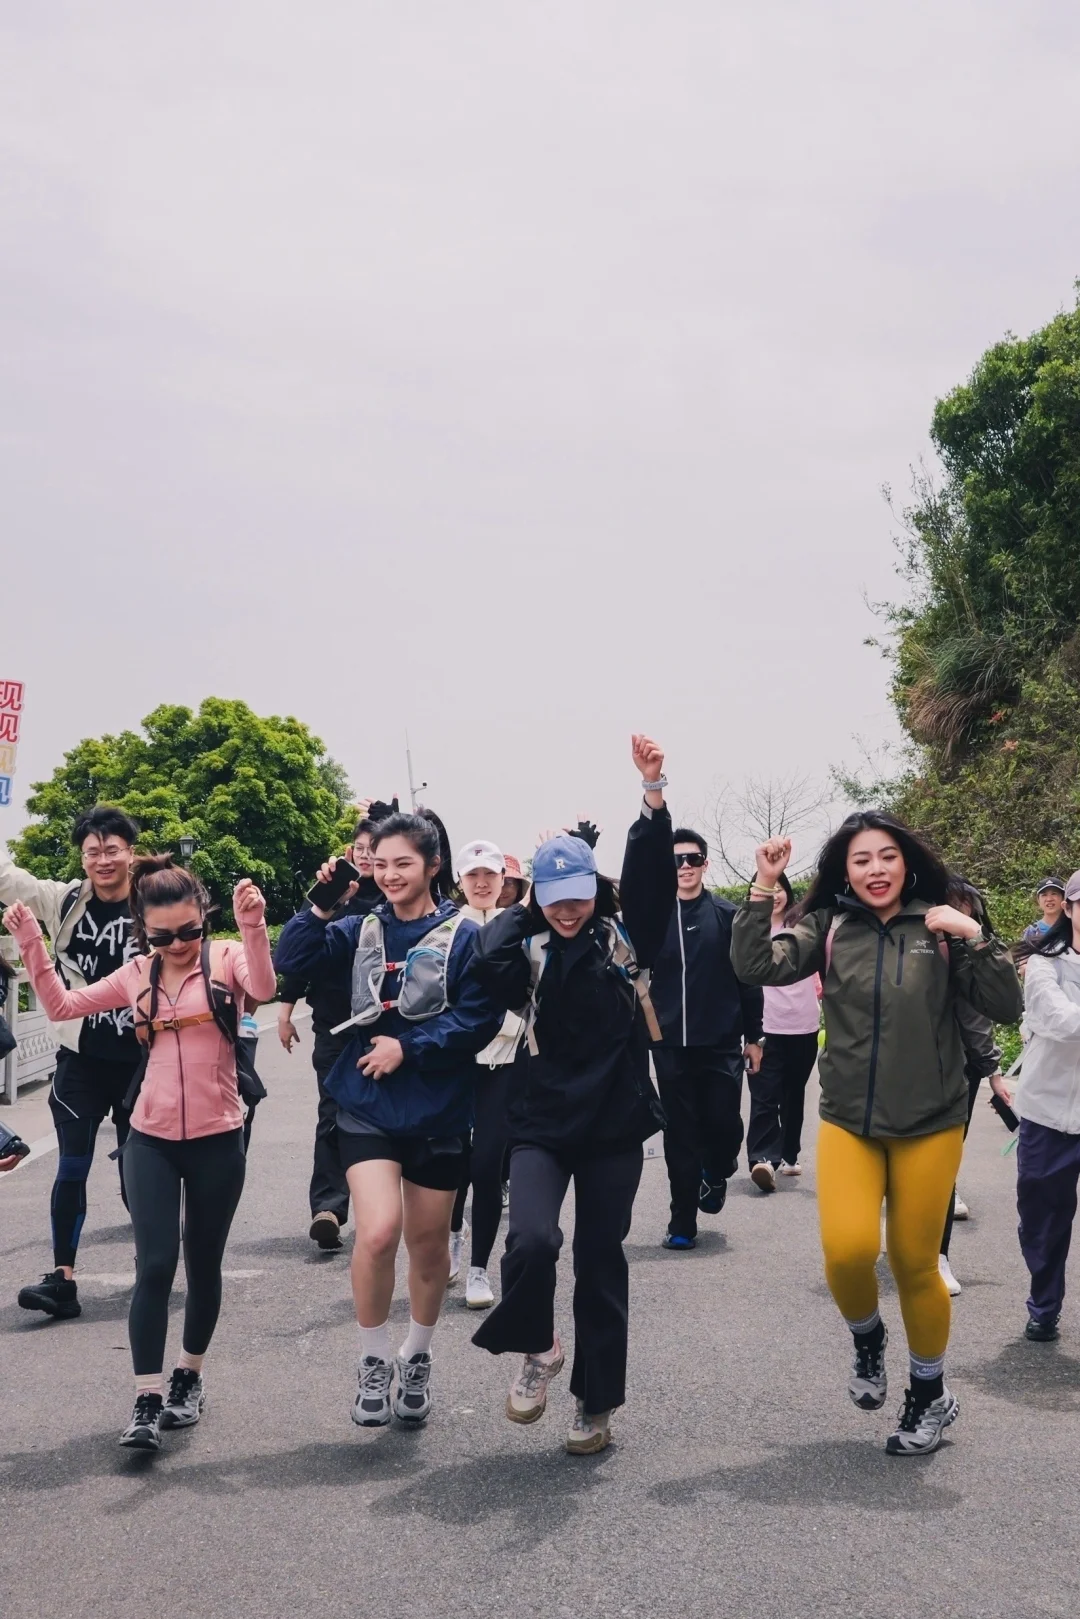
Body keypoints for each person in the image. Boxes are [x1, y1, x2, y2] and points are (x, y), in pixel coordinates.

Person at [731, 813, 1023, 1456]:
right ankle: (868, 1338)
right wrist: (764, 884)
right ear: (845, 869)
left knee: (917, 1264)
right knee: (845, 1251)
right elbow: (755, 963)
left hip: (931, 1123)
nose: (876, 870)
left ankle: (929, 1396)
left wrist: (974, 935)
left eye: (887, 856)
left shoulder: (941, 925)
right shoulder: (829, 927)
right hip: (848, 1122)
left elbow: (1006, 1007)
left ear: (907, 861)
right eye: (861, 860)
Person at [3, 857, 276, 1451]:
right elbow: (60, 1008)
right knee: (155, 1265)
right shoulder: (135, 974)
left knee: (202, 1265)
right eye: (162, 936)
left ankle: (189, 1377)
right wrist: (32, 945)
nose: (178, 945)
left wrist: (252, 925)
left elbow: (265, 987)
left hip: (217, 1137)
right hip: (148, 1137)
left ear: (203, 919)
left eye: (189, 932)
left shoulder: (226, 957)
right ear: (141, 931)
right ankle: (147, 1397)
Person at [469, 737, 675, 1456]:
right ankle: (539, 1345)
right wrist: (528, 902)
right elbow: (485, 960)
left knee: (600, 1258)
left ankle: (595, 1402)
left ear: (598, 889)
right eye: (556, 900)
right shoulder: (526, 941)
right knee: (529, 1239)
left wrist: (652, 795)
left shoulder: (620, 935)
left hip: (614, 1120)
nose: (569, 911)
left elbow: (648, 881)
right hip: (541, 1117)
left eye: (579, 896)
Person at [274, 811, 499, 1431]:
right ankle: (373, 1361)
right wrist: (322, 901)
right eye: (383, 862)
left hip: (438, 1107)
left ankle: (417, 1358)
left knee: (427, 1246)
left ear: (433, 867)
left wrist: (411, 1047)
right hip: (366, 1101)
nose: (392, 874)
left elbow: (478, 1018)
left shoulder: (464, 937)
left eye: (405, 863)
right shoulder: (357, 927)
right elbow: (290, 957)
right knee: (376, 1233)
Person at [0, 806, 143, 1320]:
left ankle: (153, 1263)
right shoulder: (65, 901)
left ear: (130, 851)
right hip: (81, 1057)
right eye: (92, 851)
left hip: (143, 1063)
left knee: (139, 1172)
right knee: (73, 1165)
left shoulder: (153, 900)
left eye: (112, 849)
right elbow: (7, 879)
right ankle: (63, 1280)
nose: (102, 860)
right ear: (82, 857)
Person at [277, 803, 390, 1251]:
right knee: (332, 1116)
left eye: (374, 850)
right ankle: (328, 1207)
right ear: (348, 852)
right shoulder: (330, 897)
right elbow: (296, 957)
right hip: (334, 1027)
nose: (365, 857)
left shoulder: (392, 899)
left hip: (385, 1029)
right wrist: (284, 1012)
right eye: (360, 849)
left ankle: (385, 1209)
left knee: (382, 1121)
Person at [648, 828, 763, 1244]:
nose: (684, 867)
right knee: (679, 1135)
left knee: (723, 1125)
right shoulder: (654, 918)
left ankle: (716, 1170)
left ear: (704, 864)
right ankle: (682, 1224)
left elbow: (749, 979)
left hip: (720, 1043)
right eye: (676, 860)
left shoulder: (727, 915)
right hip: (670, 1046)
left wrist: (755, 1037)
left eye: (692, 859)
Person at [448, 840, 524, 1308]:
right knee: (454, 1166)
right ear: (459, 880)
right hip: (455, 1065)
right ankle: (452, 1240)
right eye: (473, 874)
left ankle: (479, 1269)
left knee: (488, 1166)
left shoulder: (516, 927)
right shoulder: (445, 929)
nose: (481, 883)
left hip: (505, 1062)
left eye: (490, 875)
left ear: (503, 881)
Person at [1011, 870, 1080, 1342]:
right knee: (1043, 1220)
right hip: (1047, 1113)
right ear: (1070, 910)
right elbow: (1061, 1020)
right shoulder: (1042, 964)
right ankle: (1044, 1305)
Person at [936, 875, 1004, 1297]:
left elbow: (983, 1018)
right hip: (914, 1068)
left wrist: (994, 1072)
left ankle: (936, 1255)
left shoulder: (978, 953)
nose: (961, 915)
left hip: (962, 1070)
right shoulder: (920, 948)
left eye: (968, 909)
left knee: (942, 1164)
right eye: (952, 906)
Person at [745, 872, 821, 1183]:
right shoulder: (753, 930)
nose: (775, 894)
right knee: (764, 1094)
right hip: (766, 1026)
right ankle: (762, 1158)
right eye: (769, 889)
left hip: (803, 1026)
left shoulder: (802, 928)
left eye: (781, 889)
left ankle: (789, 1153)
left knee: (793, 1095)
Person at [1023, 878, 1067, 944]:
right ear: (1038, 900)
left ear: (1063, 898)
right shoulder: (1032, 932)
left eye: (1054, 893)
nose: (1049, 899)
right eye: (1044, 895)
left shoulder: (1073, 927)